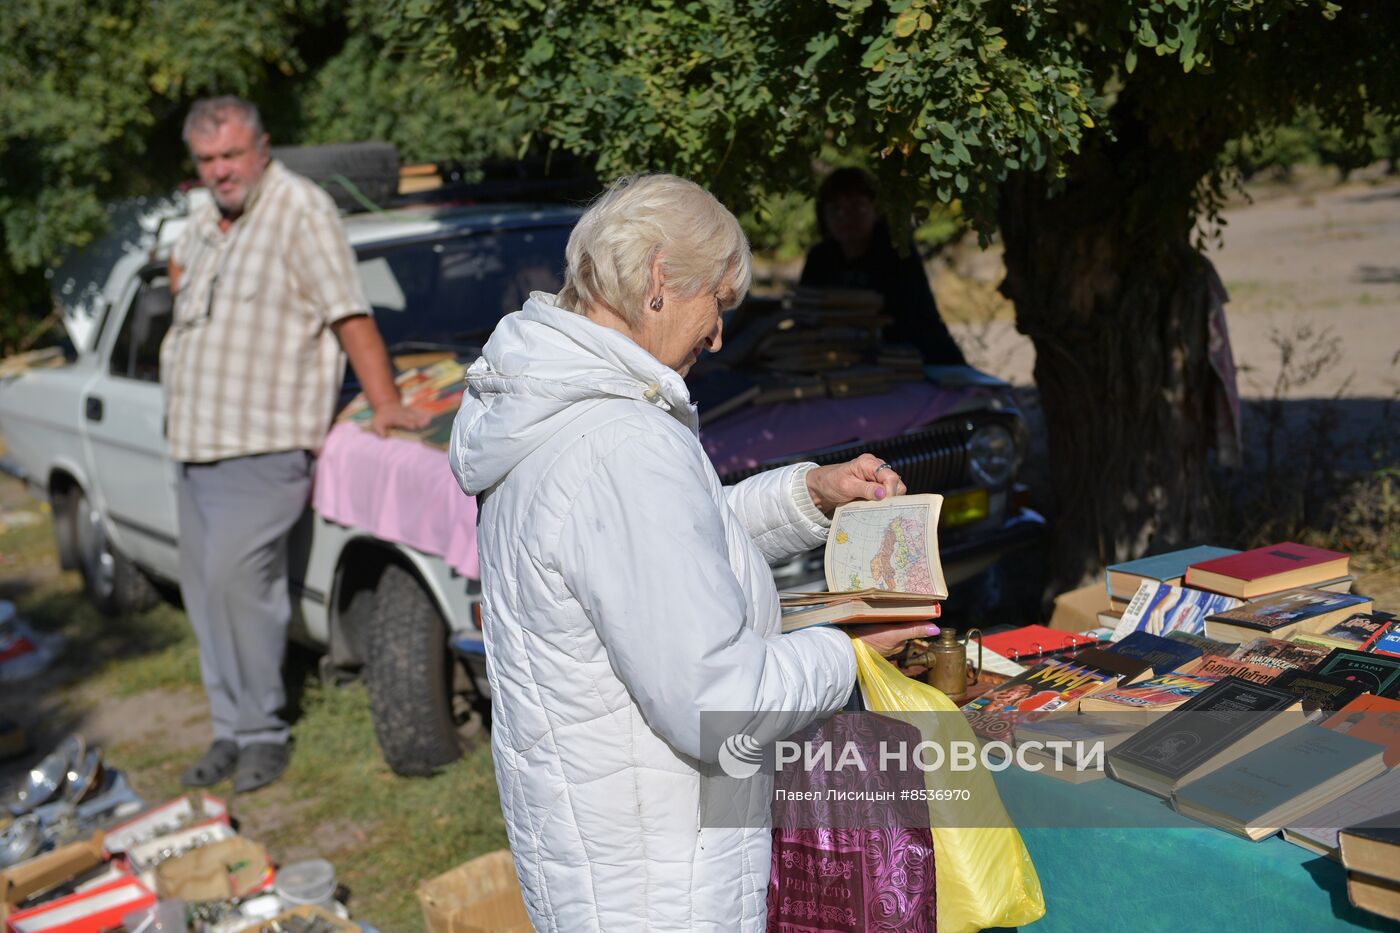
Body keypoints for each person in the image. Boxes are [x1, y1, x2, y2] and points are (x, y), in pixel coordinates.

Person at [449, 173, 936, 931]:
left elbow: (662, 553)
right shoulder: (621, 444)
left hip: (614, 858)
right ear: (657, 279)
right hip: (663, 884)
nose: (717, 336)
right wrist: (849, 652)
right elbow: (717, 704)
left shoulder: (561, 407)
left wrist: (809, 494)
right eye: (718, 301)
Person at [161, 96, 427, 793]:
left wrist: (386, 402)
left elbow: (349, 314)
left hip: (261, 442)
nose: (220, 170)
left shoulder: (300, 209)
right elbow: (179, 280)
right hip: (193, 441)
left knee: (240, 589)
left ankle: (263, 734)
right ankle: (229, 728)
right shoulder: (204, 221)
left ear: (262, 148)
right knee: (205, 594)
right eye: (207, 159)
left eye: (231, 155)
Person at [800, 166, 967, 365]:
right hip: (843, 364)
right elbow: (804, 314)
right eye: (835, 209)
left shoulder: (897, 252)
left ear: (876, 209)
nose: (845, 217)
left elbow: (906, 320)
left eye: (857, 207)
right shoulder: (820, 257)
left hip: (921, 360)